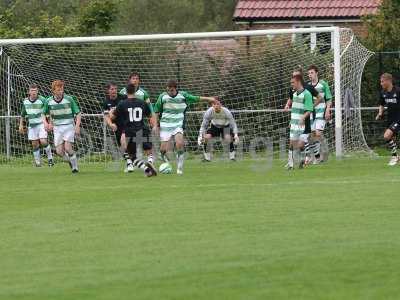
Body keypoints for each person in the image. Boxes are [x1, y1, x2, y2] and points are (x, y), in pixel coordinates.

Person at [154, 79, 217, 175]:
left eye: (172, 90)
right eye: (168, 90)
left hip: (178, 124)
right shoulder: (162, 96)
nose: (170, 92)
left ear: (176, 88)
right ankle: (163, 157)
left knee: (179, 143)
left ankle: (179, 168)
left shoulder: (183, 95)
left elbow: (196, 98)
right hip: (165, 124)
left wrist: (209, 99)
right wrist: (155, 125)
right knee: (163, 149)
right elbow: (156, 111)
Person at [111, 84, 157, 176]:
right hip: (142, 129)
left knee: (132, 156)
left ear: (126, 92)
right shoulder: (142, 102)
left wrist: (111, 112)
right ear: (135, 91)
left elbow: (112, 117)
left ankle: (147, 169)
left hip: (130, 131)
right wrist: (154, 126)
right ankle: (150, 162)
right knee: (148, 150)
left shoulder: (122, 104)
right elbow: (150, 116)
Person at [43, 80, 81, 173]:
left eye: (62, 89)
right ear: (53, 91)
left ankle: (75, 168)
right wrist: (46, 123)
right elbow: (43, 114)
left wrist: (77, 126)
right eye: (58, 90)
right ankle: (71, 161)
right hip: (57, 128)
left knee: (68, 148)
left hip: (69, 126)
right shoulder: (49, 101)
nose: (61, 91)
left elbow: (78, 113)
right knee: (59, 152)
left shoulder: (69, 99)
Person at [120, 72, 156, 164]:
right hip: (126, 123)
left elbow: (149, 107)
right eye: (133, 78)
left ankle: (150, 159)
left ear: (139, 80)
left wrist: (152, 118)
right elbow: (119, 106)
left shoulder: (143, 93)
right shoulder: (122, 92)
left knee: (144, 141)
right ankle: (130, 162)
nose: (135, 80)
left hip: (139, 122)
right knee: (125, 143)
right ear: (129, 80)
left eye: (136, 78)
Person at [19, 84, 53, 167]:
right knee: (34, 144)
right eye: (32, 91)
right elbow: (23, 114)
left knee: (43, 141)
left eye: (35, 91)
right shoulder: (25, 101)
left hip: (41, 123)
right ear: (29, 92)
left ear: (37, 91)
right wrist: (20, 125)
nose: (33, 93)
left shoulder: (43, 100)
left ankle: (50, 159)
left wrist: (49, 123)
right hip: (32, 125)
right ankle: (38, 163)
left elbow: (49, 112)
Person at [286, 75, 314, 169]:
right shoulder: (294, 94)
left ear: (298, 82)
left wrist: (303, 118)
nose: (291, 84)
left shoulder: (307, 94)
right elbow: (294, 110)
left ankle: (290, 164)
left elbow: (309, 109)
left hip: (301, 124)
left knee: (293, 144)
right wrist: (291, 121)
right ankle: (301, 160)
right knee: (297, 144)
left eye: (293, 82)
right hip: (293, 123)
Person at [306, 65, 333, 164]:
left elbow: (329, 98)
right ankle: (316, 155)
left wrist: (328, 110)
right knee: (311, 136)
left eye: (312, 73)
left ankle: (321, 155)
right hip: (311, 114)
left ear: (317, 73)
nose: (310, 75)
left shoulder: (323, 84)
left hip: (321, 112)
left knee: (317, 133)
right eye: (308, 73)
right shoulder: (308, 86)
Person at [375, 73, 400, 166]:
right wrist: (380, 113)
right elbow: (381, 104)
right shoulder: (383, 93)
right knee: (391, 138)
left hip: (399, 119)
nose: (381, 83)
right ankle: (397, 157)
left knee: (386, 136)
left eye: (382, 81)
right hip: (391, 119)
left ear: (389, 81)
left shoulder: (397, 91)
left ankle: (394, 157)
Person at [103, 82, 126, 150]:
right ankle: (128, 158)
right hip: (117, 126)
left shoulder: (123, 98)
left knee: (125, 141)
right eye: (112, 89)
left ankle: (133, 157)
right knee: (121, 145)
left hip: (126, 123)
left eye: (115, 89)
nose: (114, 91)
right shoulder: (106, 102)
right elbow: (106, 116)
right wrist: (111, 124)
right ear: (108, 90)